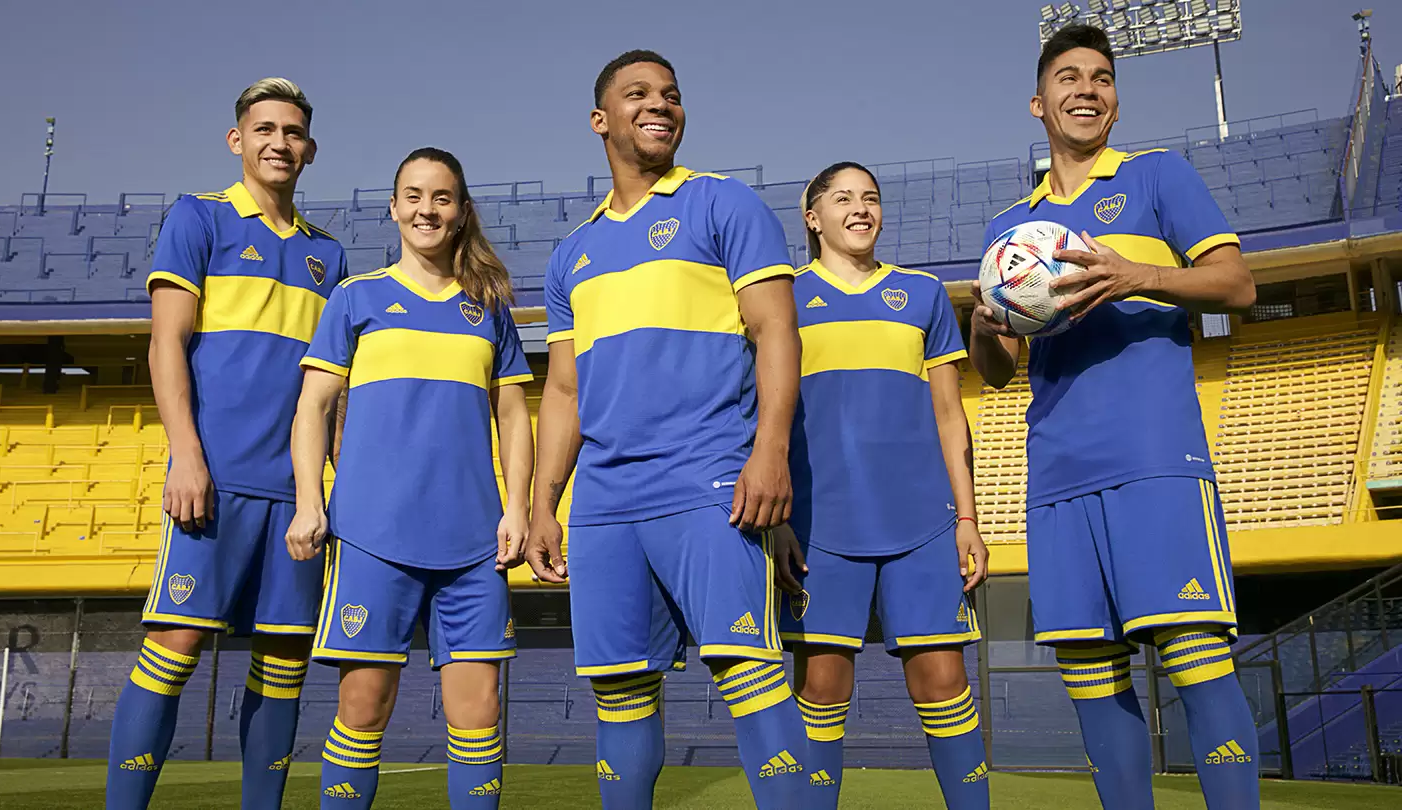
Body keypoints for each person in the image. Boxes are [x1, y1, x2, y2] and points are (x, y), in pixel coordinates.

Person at [970, 24, 1258, 810]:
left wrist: (1139, 275)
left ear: (1116, 103)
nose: (1087, 89)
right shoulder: (1010, 230)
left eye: (1101, 78)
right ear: (1039, 103)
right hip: (1057, 475)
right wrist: (983, 325)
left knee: (1196, 661)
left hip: (1155, 460)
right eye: (1068, 77)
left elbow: (1237, 286)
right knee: (1091, 676)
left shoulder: (1158, 176)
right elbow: (996, 372)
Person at [525, 50, 812, 809]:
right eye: (638, 93)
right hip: (604, 500)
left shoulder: (724, 204)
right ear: (600, 120)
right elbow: (564, 390)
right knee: (619, 693)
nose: (660, 104)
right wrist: (542, 504)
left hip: (707, 477)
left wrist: (771, 452)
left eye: (671, 94)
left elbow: (776, 331)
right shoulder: (572, 254)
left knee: (749, 673)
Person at [108, 77, 346, 810]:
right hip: (213, 480)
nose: (280, 142)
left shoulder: (329, 256)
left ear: (311, 149)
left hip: (296, 495)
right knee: (175, 649)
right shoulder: (199, 217)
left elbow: (330, 392)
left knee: (283, 662)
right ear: (237, 140)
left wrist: (337, 486)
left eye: (294, 132)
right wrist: (186, 455)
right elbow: (166, 345)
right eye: (265, 129)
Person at [287, 147, 534, 810]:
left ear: (461, 212)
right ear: (394, 207)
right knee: (364, 706)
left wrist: (518, 508)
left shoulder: (489, 309)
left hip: (474, 544)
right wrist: (310, 502)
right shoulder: (355, 297)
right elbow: (312, 407)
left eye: (442, 197)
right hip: (372, 536)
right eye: (415, 196)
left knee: (480, 712)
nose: (428, 209)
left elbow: (514, 415)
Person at [781, 161, 989, 809]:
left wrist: (967, 519)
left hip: (923, 522)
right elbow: (766, 415)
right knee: (821, 688)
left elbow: (950, 414)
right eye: (843, 198)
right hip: (818, 527)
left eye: (870, 197)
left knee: (943, 682)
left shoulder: (922, 294)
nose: (860, 208)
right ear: (813, 218)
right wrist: (779, 519)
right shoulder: (784, 297)